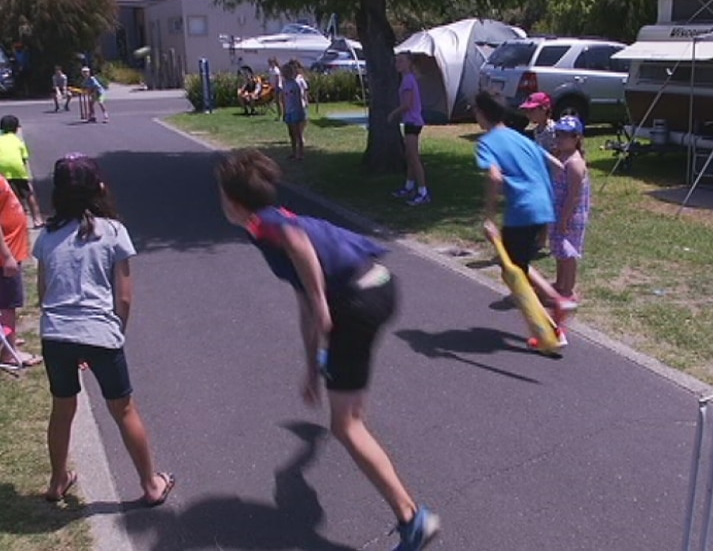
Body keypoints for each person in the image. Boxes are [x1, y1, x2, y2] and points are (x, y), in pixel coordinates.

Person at [215, 149, 440, 551]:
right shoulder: (280, 216)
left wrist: (321, 302)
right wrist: (309, 366)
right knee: (345, 406)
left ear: (233, 202)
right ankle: (336, 377)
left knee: (345, 426)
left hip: (355, 303)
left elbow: (301, 251)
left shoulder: (265, 225)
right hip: (380, 287)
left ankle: (412, 519)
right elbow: (303, 295)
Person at [33, 153, 175, 505]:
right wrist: (114, 334)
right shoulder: (113, 231)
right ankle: (151, 484)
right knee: (123, 409)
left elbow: (43, 292)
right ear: (99, 188)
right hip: (100, 332)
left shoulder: (47, 236)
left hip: (56, 333)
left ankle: (56, 481)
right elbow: (123, 297)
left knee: (62, 409)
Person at [472, 91, 574, 341]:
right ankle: (553, 307)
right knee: (517, 266)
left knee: (512, 272)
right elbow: (557, 165)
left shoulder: (487, 142)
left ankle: (553, 306)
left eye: (475, 111)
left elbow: (494, 177)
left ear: (482, 114)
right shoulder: (520, 138)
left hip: (522, 209)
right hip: (542, 205)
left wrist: (489, 218)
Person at [549, 115, 589, 309]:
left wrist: (565, 218)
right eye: (558, 134)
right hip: (557, 211)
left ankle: (569, 290)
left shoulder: (575, 163)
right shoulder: (561, 156)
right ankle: (559, 283)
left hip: (570, 214)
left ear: (576, 138)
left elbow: (574, 196)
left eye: (566, 135)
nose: (560, 138)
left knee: (567, 252)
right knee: (558, 250)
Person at [0, 167, 38, 367]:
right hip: (6, 255)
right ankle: (8, 352)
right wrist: (6, 257)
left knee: (6, 303)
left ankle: (8, 339)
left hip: (10, 250)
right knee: (8, 304)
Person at [389, 52, 430, 206]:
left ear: (409, 63)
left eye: (401, 61)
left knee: (414, 158)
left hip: (412, 122)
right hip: (412, 122)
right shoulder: (408, 79)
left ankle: (423, 192)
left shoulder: (407, 81)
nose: (397, 64)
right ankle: (409, 186)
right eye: (396, 61)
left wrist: (393, 114)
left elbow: (407, 105)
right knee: (409, 156)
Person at [0, 115, 44, 227]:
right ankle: (37, 219)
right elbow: (24, 159)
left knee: (6, 195)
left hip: (2, 171)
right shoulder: (19, 141)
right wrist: (23, 174)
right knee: (29, 194)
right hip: (18, 170)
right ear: (16, 129)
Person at [283, 63, 306, 160]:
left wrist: (300, 111)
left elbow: (298, 98)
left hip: (296, 110)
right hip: (288, 111)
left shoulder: (295, 84)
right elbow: (284, 98)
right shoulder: (285, 84)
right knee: (291, 134)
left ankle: (300, 154)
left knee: (298, 133)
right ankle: (293, 152)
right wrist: (284, 111)